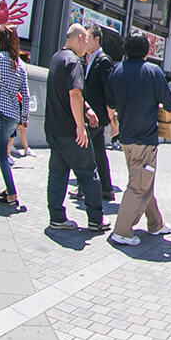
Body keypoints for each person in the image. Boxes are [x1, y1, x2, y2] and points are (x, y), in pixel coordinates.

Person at [106, 32, 171, 247]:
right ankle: (122, 231)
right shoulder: (152, 72)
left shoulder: (116, 71)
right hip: (144, 140)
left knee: (144, 181)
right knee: (138, 186)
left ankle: (155, 224)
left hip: (126, 138)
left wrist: (115, 126)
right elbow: (170, 104)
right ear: (147, 51)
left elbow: (110, 105)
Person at [44, 24, 108, 233]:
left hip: (54, 128)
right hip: (71, 131)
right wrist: (81, 126)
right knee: (88, 172)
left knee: (57, 173)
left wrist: (87, 109)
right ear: (80, 38)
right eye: (86, 40)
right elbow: (74, 93)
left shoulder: (56, 58)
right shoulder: (74, 62)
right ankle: (95, 220)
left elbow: (68, 93)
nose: (86, 45)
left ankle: (56, 217)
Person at [0, 25, 29, 207]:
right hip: (13, 116)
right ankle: (8, 189)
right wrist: (24, 118)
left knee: (1, 154)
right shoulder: (20, 66)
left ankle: (12, 193)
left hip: (1, 112)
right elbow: (25, 95)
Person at [75, 25, 117, 202]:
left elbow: (109, 89)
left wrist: (111, 116)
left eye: (88, 38)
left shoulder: (103, 60)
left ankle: (88, 188)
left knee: (85, 151)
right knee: (97, 152)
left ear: (96, 40)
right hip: (89, 113)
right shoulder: (88, 59)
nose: (85, 41)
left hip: (97, 114)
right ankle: (105, 189)